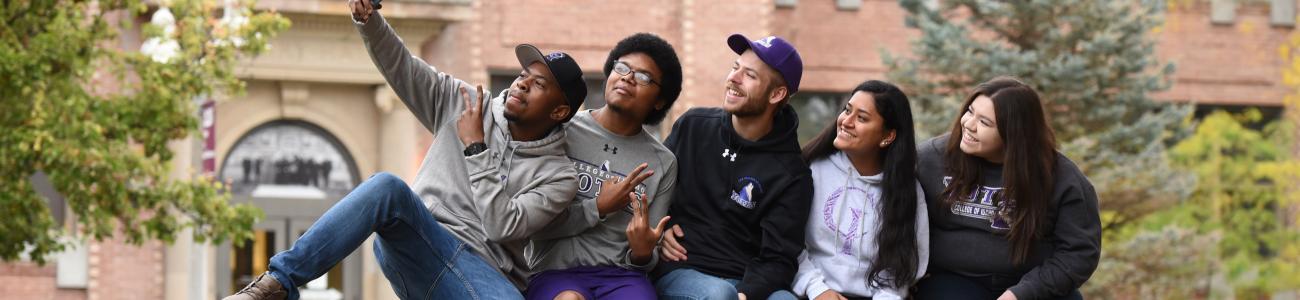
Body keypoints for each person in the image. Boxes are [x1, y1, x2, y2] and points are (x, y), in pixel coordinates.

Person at [221, 0, 587, 299]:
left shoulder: (559, 177)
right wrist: (369, 20)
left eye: (538, 84)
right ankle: (276, 284)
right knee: (386, 187)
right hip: (418, 240)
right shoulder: (464, 102)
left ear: (558, 111)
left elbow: (502, 225)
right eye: (524, 74)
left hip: (481, 272)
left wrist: (476, 148)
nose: (522, 84)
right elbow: (405, 68)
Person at [524, 33, 684, 300]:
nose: (627, 77)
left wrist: (643, 252)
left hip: (620, 276)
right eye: (621, 67)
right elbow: (529, 224)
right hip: (553, 270)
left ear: (660, 100)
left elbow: (646, 256)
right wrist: (597, 208)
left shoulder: (663, 162)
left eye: (644, 77)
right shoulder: (561, 131)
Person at [653, 34, 813, 300]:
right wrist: (659, 228)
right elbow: (653, 187)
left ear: (776, 94)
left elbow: (779, 258)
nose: (733, 79)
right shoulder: (694, 126)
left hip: (746, 280)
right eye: (735, 67)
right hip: (683, 268)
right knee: (719, 295)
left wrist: (747, 294)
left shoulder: (791, 173)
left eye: (749, 75)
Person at [913, 77, 1101, 300]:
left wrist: (1021, 294)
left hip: (1035, 285)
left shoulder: (1062, 179)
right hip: (954, 280)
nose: (969, 124)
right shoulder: (930, 160)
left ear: (1014, 133)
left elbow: (1079, 253)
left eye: (984, 122)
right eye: (970, 111)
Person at [792, 80, 929, 300]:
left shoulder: (906, 191)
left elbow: (902, 268)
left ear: (888, 136)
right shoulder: (811, 170)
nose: (846, 121)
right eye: (847, 110)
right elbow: (787, 243)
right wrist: (817, 289)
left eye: (862, 118)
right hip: (810, 293)